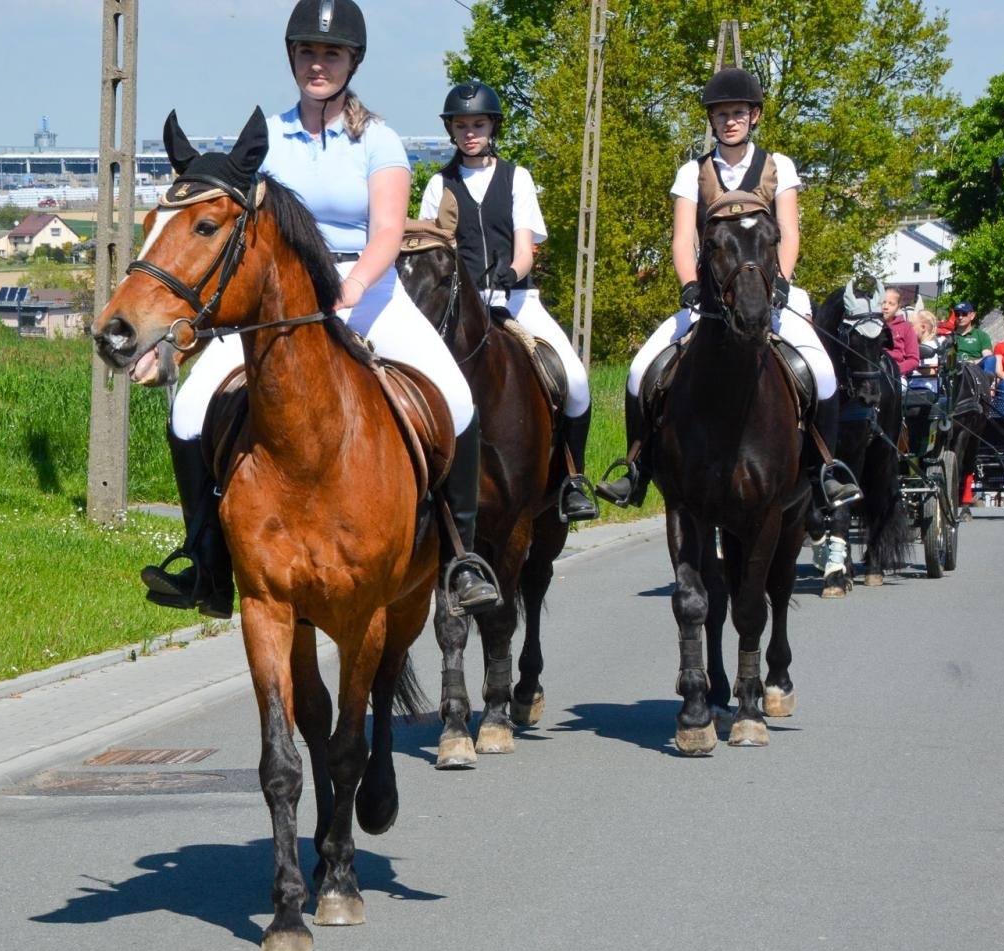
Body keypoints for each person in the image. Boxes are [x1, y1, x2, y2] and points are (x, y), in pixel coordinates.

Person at [140, 0, 501, 618]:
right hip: (279, 298)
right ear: (293, 58)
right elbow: (231, 238)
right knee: (192, 410)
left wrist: (355, 284)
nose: (318, 64)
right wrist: (180, 336)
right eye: (308, 52)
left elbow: (387, 230)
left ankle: (460, 557)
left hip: (367, 287)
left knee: (457, 398)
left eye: (330, 53)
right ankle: (205, 557)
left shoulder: (379, 139)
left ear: (351, 61)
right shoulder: (267, 139)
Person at [595, 67, 859, 512]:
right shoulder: (692, 173)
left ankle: (825, 471)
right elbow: (683, 239)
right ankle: (636, 469)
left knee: (822, 371)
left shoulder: (778, 167)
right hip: (712, 299)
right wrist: (691, 285)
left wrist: (781, 283)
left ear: (754, 116)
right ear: (712, 120)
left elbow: (789, 232)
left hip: (773, 292)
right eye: (721, 114)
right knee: (642, 369)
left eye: (738, 113)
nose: (730, 121)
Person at [418, 80, 598, 522]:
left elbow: (524, 248)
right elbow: (427, 250)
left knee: (575, 381)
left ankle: (573, 478)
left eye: (477, 124)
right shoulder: (438, 186)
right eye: (461, 126)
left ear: (492, 126)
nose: (470, 132)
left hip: (516, 299)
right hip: (456, 307)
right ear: (452, 131)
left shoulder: (517, 177)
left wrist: (510, 272)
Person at [882, 287, 921, 378]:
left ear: (898, 306)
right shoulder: (871, 326)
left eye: (891, 304)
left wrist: (894, 370)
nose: (886, 307)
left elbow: (913, 360)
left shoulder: (906, 327)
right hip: (873, 374)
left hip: (896, 375)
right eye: (883, 302)